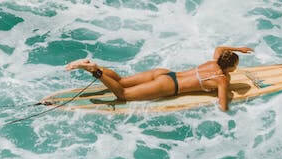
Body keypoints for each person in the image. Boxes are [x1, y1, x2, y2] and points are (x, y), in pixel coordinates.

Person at [65, 46, 253, 111]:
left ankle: (92, 64)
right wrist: (230, 98)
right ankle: (94, 70)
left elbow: (220, 47)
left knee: (121, 81)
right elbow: (222, 104)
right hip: (169, 86)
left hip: (164, 73)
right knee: (122, 94)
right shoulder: (222, 79)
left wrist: (238, 49)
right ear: (231, 67)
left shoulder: (212, 62)